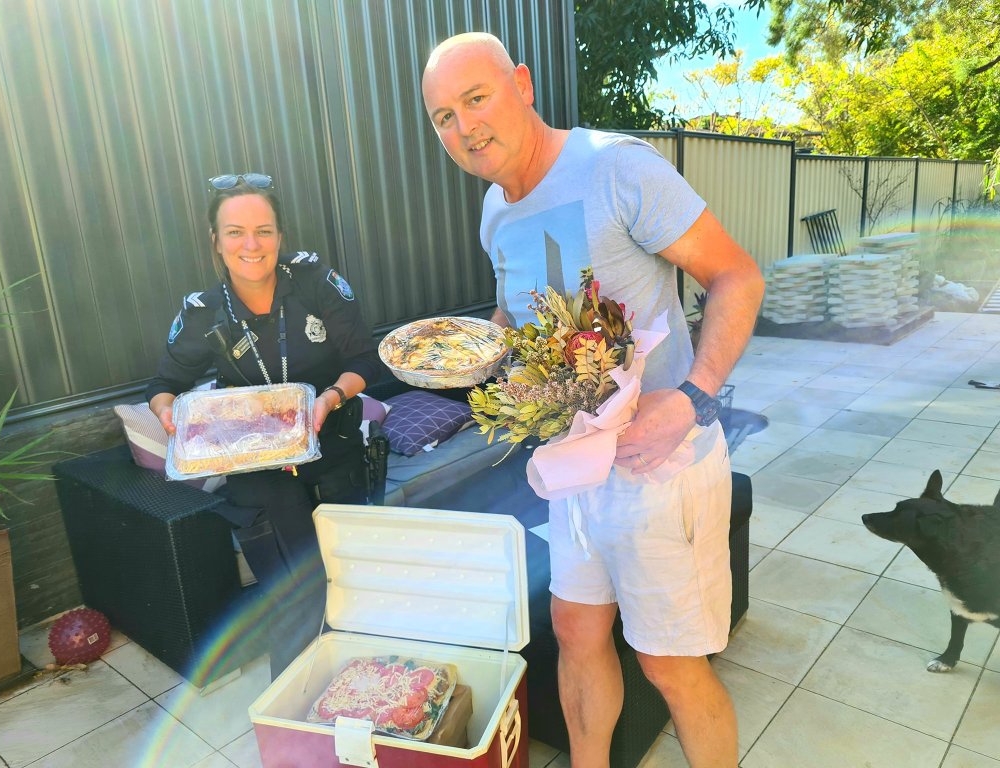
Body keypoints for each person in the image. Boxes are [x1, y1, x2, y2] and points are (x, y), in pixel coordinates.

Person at [422, 34, 764, 767]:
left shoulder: (615, 167)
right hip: (574, 470)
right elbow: (517, 312)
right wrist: (484, 351)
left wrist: (694, 398)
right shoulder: (493, 210)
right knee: (575, 633)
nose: (464, 126)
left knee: (669, 665)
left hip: (660, 464)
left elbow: (738, 276)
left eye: (476, 99)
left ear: (522, 85)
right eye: (444, 116)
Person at [145, 173, 382, 674]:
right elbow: (165, 383)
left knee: (352, 586)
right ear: (216, 240)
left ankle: (371, 686)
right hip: (256, 473)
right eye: (235, 232)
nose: (251, 245)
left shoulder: (316, 283)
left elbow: (365, 358)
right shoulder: (204, 312)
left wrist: (331, 397)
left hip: (334, 453)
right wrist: (168, 413)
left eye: (263, 231)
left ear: (280, 236)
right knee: (293, 598)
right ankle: (299, 702)